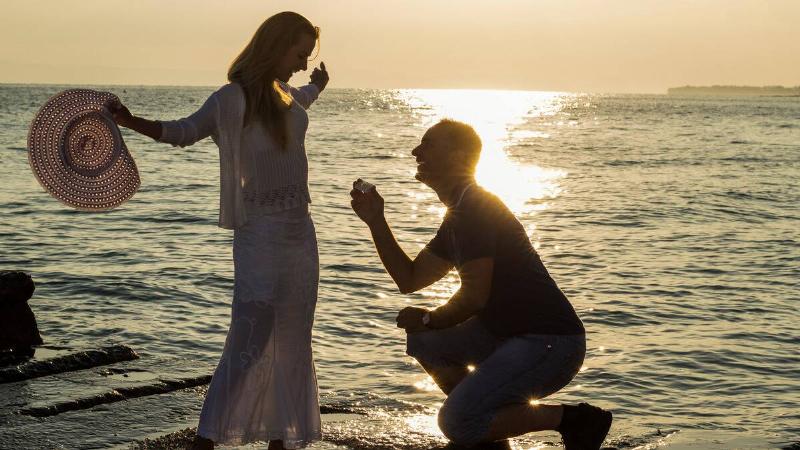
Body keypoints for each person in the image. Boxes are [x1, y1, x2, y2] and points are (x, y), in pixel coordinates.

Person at [109, 12, 329, 450]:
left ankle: (281, 438)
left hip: (300, 231)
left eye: (308, 56)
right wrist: (130, 121)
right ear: (275, 45)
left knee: (293, 336)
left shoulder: (285, 94)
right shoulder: (231, 99)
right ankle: (208, 438)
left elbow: (301, 98)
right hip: (260, 233)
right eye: (300, 53)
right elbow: (183, 132)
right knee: (251, 332)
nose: (304, 63)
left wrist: (318, 87)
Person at [350, 119, 613, 449]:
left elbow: (474, 296)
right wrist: (376, 221)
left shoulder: (475, 210)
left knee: (454, 422)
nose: (416, 151)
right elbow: (410, 279)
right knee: (424, 342)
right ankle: (489, 431)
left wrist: (430, 318)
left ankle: (573, 419)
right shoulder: (458, 214)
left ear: (459, 157)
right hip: (508, 336)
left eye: (428, 144)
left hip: (550, 343)